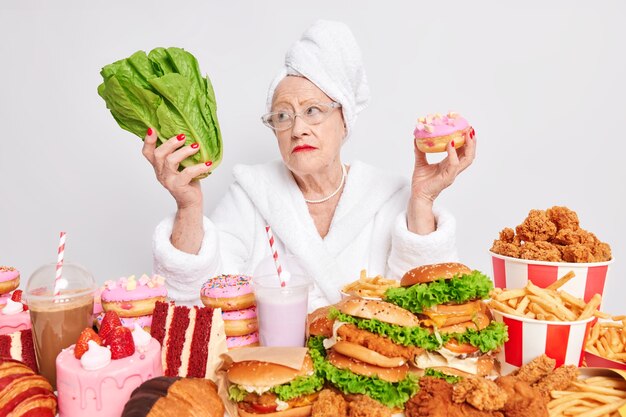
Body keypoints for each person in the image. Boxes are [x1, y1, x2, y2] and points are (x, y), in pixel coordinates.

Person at [142, 20, 476, 310]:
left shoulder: (389, 195)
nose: (298, 127)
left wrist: (423, 200)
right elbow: (197, 298)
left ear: (344, 119)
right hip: (278, 369)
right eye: (283, 116)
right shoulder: (251, 194)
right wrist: (188, 205)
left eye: (313, 110)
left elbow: (429, 302)